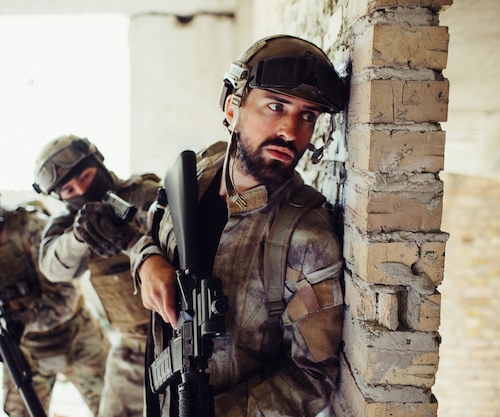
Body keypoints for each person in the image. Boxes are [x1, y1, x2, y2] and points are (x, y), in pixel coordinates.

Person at [130, 34, 347, 416]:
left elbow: (314, 375)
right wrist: (147, 261)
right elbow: (149, 229)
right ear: (233, 109)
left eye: (308, 115)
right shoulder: (195, 173)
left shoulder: (307, 237)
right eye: (276, 106)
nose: (290, 130)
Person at [0, 166, 109, 417]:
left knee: (116, 408)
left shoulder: (29, 227)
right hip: (26, 350)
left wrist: (20, 322)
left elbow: (65, 296)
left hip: (77, 336)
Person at [32, 134, 162, 417]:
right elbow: (53, 269)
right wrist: (80, 235)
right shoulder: (66, 223)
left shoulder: (145, 192)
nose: (82, 188)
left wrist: (130, 235)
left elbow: (177, 236)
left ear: (99, 163)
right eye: (69, 189)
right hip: (131, 346)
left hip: (178, 336)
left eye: (87, 175)